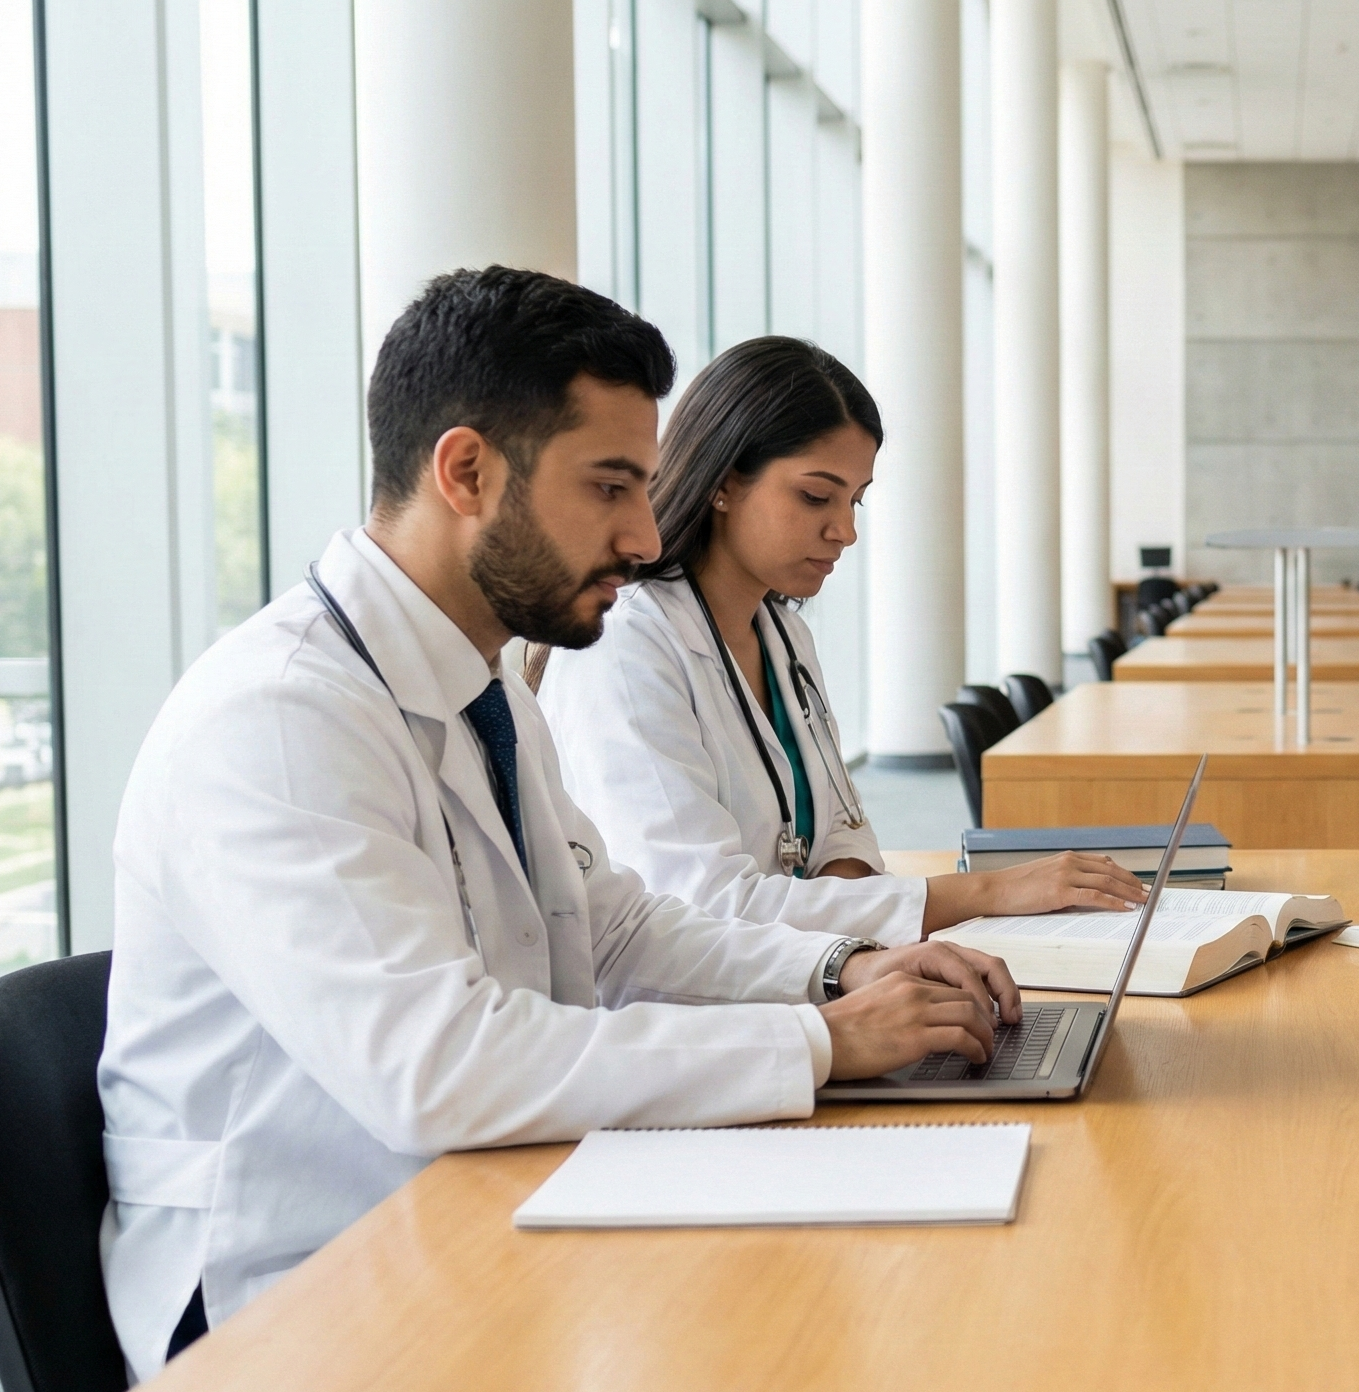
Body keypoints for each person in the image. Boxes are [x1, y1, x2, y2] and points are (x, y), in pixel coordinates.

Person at [96, 268, 1021, 1378]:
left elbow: (619, 930)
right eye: (611, 486)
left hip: (487, 1199)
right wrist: (824, 1041)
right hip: (302, 1290)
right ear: (467, 472)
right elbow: (438, 1067)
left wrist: (844, 969)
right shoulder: (281, 720)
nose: (643, 536)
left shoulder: (480, 686)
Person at [537, 336, 1147, 944]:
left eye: (855, 499)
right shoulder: (624, 645)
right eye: (815, 496)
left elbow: (842, 834)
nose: (845, 530)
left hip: (812, 974)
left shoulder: (784, 634)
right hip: (690, 1019)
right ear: (722, 482)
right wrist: (989, 891)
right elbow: (701, 906)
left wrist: (835, 908)